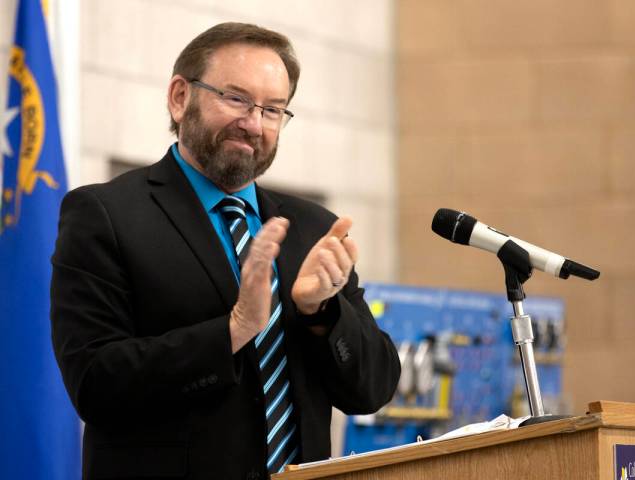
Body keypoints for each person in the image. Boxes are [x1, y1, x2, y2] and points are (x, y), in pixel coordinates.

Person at [50, 22, 400, 480]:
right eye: (235, 98)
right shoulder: (104, 214)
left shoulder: (311, 227)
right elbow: (95, 385)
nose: (253, 123)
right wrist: (233, 331)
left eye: (273, 109)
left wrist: (322, 313)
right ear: (180, 97)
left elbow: (372, 389)